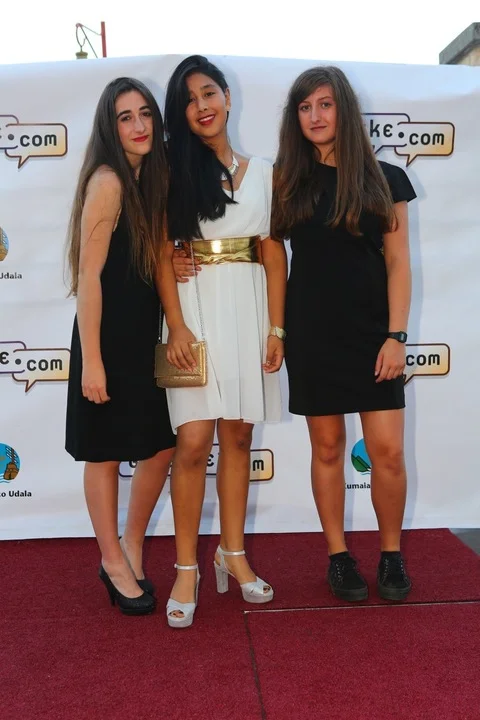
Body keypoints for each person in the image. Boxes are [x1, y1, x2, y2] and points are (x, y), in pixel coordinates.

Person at [272, 66, 417, 602]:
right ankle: (337, 557)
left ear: (344, 110)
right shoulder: (286, 181)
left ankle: (391, 555)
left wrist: (396, 335)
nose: (315, 116)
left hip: (373, 333)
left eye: (325, 104)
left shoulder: (385, 179)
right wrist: (277, 329)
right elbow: (270, 258)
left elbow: (398, 263)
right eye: (305, 107)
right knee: (328, 447)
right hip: (312, 332)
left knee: (389, 452)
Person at [159, 55, 287, 628]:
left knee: (238, 436)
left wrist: (277, 328)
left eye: (209, 92)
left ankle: (231, 555)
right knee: (192, 443)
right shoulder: (172, 172)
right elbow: (161, 252)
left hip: (251, 310)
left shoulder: (265, 173)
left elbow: (273, 253)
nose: (202, 106)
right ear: (181, 114)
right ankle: (186, 567)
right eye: (189, 100)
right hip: (193, 313)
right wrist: (177, 326)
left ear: (228, 98)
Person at [65, 77, 176, 615]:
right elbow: (88, 276)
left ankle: (131, 543)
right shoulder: (108, 181)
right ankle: (112, 560)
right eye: (125, 117)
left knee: (160, 445)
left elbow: (145, 260)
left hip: (139, 339)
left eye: (145, 114)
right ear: (110, 129)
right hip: (105, 340)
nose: (138, 126)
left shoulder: (146, 181)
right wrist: (92, 360)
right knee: (104, 452)